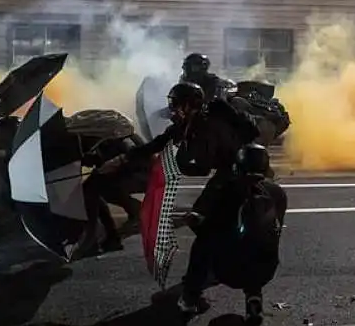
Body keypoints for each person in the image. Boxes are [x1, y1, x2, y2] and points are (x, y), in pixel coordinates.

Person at [97, 81, 261, 312]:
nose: (172, 110)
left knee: (205, 227)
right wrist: (122, 160)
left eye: (176, 105)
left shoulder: (208, 126)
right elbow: (157, 143)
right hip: (227, 172)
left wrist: (173, 164)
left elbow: (202, 166)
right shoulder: (188, 124)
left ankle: (196, 292)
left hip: (238, 174)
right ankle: (221, 270)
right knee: (204, 222)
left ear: (190, 105)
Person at [206, 143, 287, 326]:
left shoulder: (225, 190)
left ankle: (189, 298)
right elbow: (277, 228)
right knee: (257, 245)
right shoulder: (277, 192)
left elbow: (210, 227)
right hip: (267, 268)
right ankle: (254, 298)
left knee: (203, 244)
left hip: (227, 271)